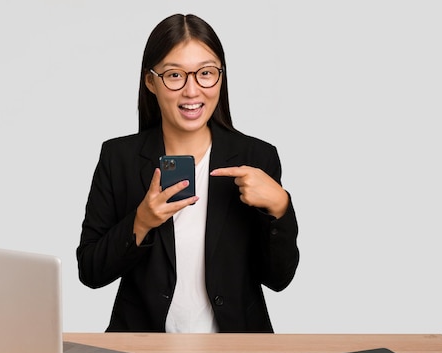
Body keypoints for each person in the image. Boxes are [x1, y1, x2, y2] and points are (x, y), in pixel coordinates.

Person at [76, 13, 299, 333]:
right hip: (145, 350)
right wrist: (141, 221)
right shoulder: (119, 157)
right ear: (151, 81)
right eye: (175, 75)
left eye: (206, 73)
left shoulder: (257, 157)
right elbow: (91, 271)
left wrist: (280, 207)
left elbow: (278, 279)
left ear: (220, 77)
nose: (192, 91)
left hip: (235, 349)